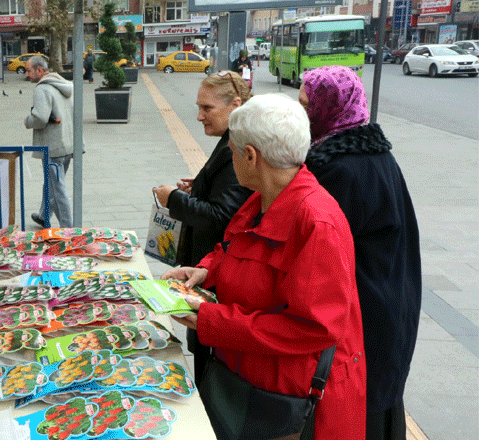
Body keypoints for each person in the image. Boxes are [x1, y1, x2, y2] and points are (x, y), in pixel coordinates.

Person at [164, 94, 367, 439]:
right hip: (249, 388)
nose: (231, 157)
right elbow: (236, 249)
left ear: (250, 156)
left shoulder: (317, 223)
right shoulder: (261, 198)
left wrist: (208, 318)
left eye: (232, 150)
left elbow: (312, 328)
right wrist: (206, 272)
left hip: (291, 405)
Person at [300, 65, 421, 440]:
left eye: (307, 106)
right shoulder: (374, 154)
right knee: (381, 399)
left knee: (362, 402)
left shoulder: (339, 170)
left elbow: (322, 256)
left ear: (329, 108)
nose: (300, 114)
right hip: (390, 300)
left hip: (366, 309)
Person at [152, 71, 253, 385]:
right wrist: (201, 186)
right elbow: (227, 198)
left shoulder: (237, 145)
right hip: (209, 268)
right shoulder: (229, 140)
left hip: (217, 276)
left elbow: (221, 215)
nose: (199, 116)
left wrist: (175, 200)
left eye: (207, 108)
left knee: (210, 363)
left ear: (235, 104)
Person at [24, 55, 74, 228]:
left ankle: (69, 229)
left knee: (58, 190)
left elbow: (40, 118)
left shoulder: (42, 89)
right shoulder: (63, 85)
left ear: (39, 70)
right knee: (52, 184)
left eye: (29, 70)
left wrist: (27, 120)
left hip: (52, 147)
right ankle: (43, 215)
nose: (27, 75)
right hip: (67, 145)